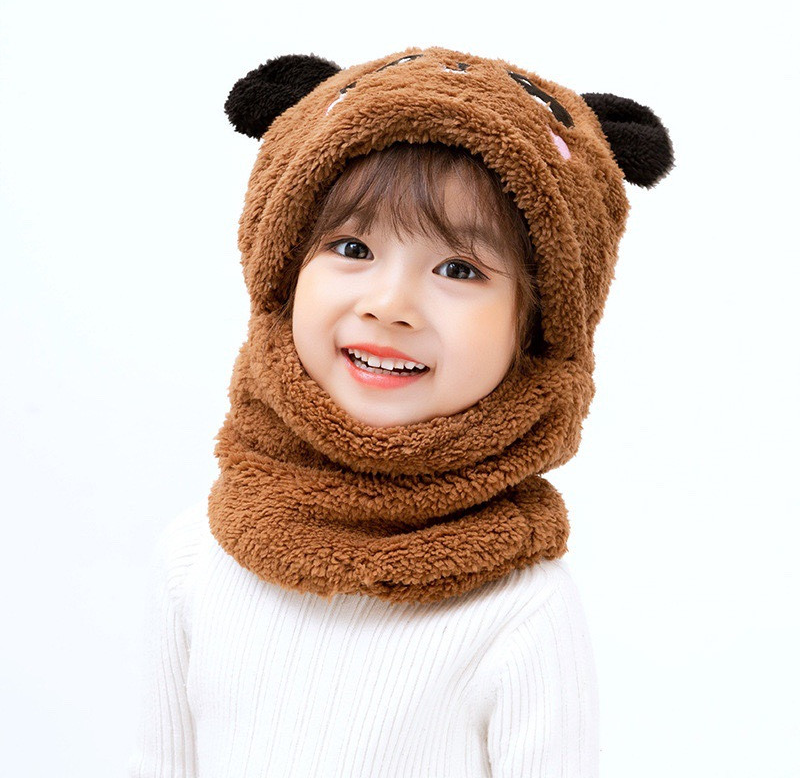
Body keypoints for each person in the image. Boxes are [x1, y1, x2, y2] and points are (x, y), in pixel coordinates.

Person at [128, 45, 674, 777]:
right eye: (352, 246)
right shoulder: (197, 558)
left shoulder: (521, 610)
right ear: (281, 270)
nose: (389, 305)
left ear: (538, 325)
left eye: (459, 268)